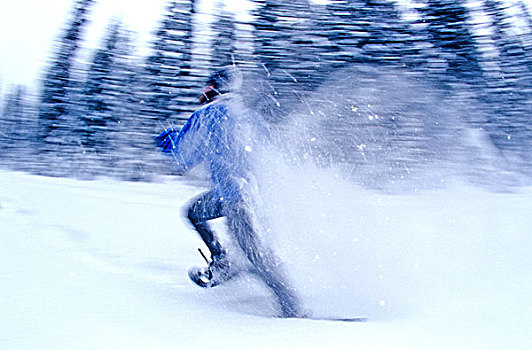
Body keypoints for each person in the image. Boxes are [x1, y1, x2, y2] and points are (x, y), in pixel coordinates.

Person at [155, 67, 302, 318]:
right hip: (246, 194)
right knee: (193, 212)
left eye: (207, 86)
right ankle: (222, 262)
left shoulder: (209, 114)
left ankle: (293, 309)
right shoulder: (248, 116)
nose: (203, 91)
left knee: (256, 256)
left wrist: (169, 141)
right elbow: (271, 150)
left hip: (235, 199)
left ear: (215, 87)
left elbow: (184, 156)